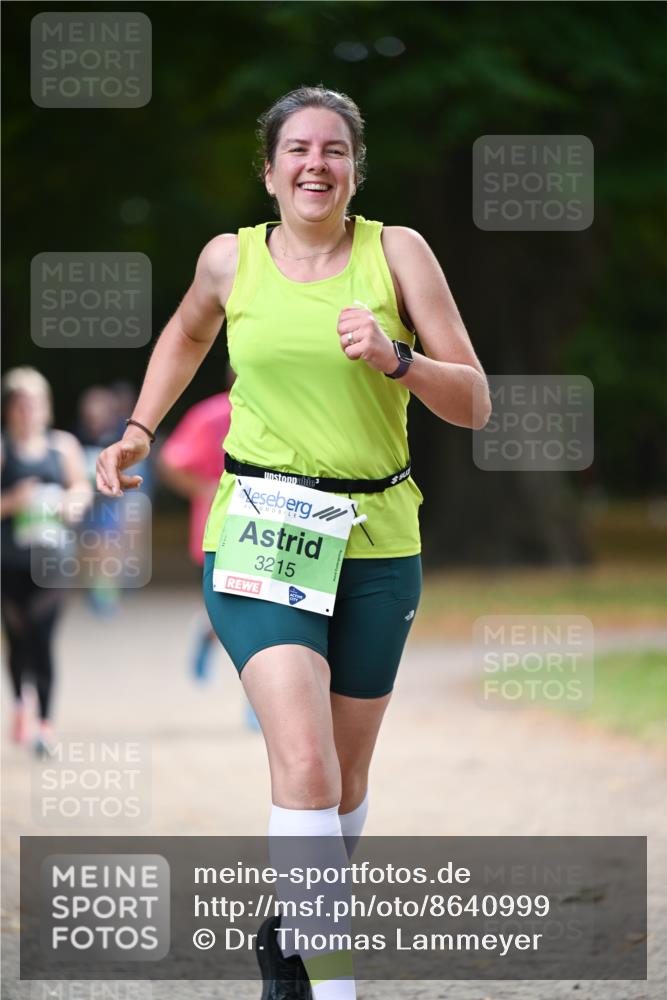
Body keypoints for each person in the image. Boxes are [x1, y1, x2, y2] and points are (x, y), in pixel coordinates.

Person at [96, 85, 491, 1000]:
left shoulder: (397, 254)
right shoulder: (230, 262)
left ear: (355, 168)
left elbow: (473, 402)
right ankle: (330, 982)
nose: (317, 164)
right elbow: (186, 333)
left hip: (377, 536)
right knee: (304, 765)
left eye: (336, 150)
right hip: (263, 529)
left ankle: (291, 928)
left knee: (345, 778)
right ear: (269, 169)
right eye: (299, 150)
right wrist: (141, 429)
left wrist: (399, 358)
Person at [1, 367, 91, 755]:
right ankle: (22, 700)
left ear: (46, 407)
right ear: (9, 410)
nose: (28, 411)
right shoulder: (3, 449)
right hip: (11, 563)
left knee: (43, 635)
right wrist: (13, 502)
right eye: (20, 404)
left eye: (34, 403)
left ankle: (45, 725)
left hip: (54, 561)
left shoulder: (63, 446)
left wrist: (74, 501)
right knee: (18, 640)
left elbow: (81, 488)